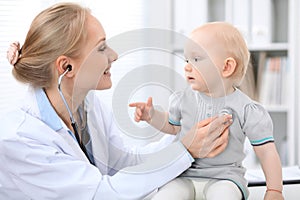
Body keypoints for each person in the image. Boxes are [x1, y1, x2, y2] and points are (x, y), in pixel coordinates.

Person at [0, 3, 233, 200]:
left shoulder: (86, 105)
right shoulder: (20, 138)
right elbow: (101, 193)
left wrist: (187, 136)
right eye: (101, 48)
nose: (114, 55)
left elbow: (123, 162)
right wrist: (185, 151)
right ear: (66, 67)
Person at [130, 22, 284, 200]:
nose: (187, 66)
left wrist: (274, 190)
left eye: (196, 59)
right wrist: (152, 116)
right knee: (167, 195)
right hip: (184, 175)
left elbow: (266, 152)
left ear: (226, 67)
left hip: (225, 177)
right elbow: (172, 127)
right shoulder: (183, 99)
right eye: (187, 59)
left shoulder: (247, 109)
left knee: (224, 195)